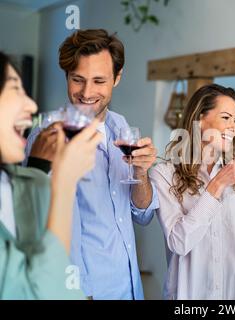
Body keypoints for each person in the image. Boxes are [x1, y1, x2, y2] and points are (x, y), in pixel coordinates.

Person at [24, 29, 159, 300]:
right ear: (66, 77)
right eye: (78, 80)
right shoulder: (49, 136)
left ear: (117, 78)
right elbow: (41, 226)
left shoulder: (120, 126)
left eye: (99, 80)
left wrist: (141, 174)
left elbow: (142, 215)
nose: (87, 92)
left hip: (129, 288)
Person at [150, 84, 235, 300]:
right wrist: (216, 185)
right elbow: (179, 242)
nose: (233, 128)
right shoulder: (164, 175)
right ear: (199, 119)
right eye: (225, 117)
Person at [0, 51, 101, 299]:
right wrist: (64, 181)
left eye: (99, 80)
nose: (32, 105)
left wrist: (39, 167)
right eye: (15, 89)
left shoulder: (12, 179)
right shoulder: (39, 138)